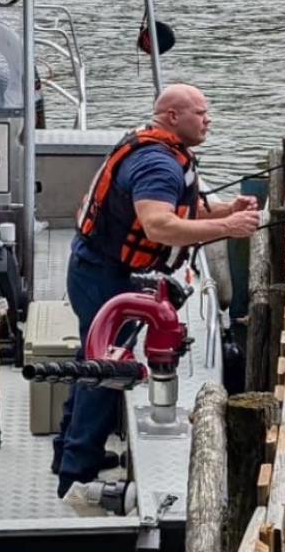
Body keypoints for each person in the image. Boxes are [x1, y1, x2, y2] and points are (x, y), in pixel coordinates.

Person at [54, 83, 262, 498]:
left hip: (97, 265)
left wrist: (224, 209)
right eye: (200, 113)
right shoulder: (158, 164)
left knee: (90, 357)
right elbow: (158, 225)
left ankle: (71, 452)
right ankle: (77, 472)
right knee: (104, 368)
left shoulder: (159, 152)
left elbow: (180, 211)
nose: (209, 120)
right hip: (106, 275)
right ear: (172, 117)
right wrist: (228, 228)